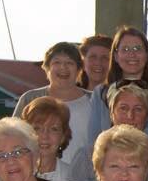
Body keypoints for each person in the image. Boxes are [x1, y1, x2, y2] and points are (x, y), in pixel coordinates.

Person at [87, 26, 148, 157]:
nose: (132, 54)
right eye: (125, 49)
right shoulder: (100, 93)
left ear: (147, 55)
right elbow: (94, 143)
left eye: (137, 49)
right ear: (116, 56)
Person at [14, 41, 92, 173]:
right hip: (36, 175)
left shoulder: (95, 101)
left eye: (69, 63)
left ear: (79, 69)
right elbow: (14, 138)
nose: (63, 67)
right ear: (47, 68)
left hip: (84, 176)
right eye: (57, 62)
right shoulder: (30, 99)